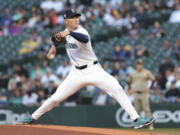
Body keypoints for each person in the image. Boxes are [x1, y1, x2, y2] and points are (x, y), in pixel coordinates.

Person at [21, 9, 155, 129]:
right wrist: (54, 46)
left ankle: (137, 119)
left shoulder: (81, 31)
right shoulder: (66, 34)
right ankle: (32, 117)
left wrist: (69, 32)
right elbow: (56, 38)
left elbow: (84, 39)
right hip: (76, 73)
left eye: (77, 17)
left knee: (117, 88)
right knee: (55, 98)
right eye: (73, 18)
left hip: (94, 70)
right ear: (66, 20)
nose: (76, 19)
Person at [128, 59, 155, 130]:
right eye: (138, 64)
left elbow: (153, 79)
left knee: (147, 109)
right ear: (136, 65)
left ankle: (150, 125)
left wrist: (150, 88)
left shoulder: (146, 72)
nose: (139, 65)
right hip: (136, 93)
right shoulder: (133, 73)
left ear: (142, 65)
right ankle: (138, 125)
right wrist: (130, 88)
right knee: (137, 110)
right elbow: (128, 81)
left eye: (141, 64)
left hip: (144, 93)